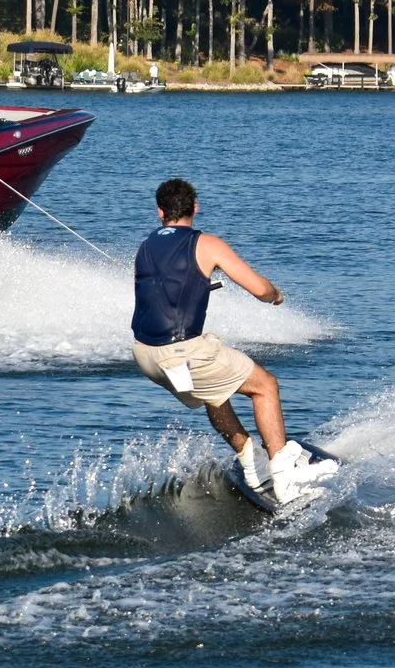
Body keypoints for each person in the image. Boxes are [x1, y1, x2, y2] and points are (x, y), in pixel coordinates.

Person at [129, 177, 337, 500]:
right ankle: (285, 479)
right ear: (195, 208)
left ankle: (249, 459)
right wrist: (275, 294)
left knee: (215, 389)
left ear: (160, 212)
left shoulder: (144, 248)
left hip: (145, 355)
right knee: (265, 385)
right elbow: (258, 289)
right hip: (182, 352)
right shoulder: (206, 244)